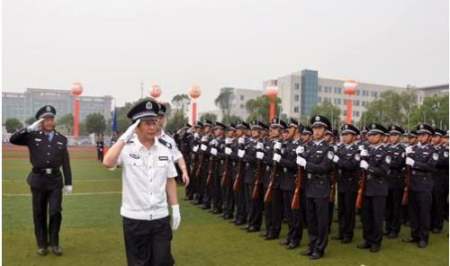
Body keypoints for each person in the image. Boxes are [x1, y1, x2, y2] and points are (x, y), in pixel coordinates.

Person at [103, 99, 180, 266]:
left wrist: (175, 208)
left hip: (160, 218)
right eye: (147, 123)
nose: (153, 127)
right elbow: (107, 162)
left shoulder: (165, 149)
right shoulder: (126, 149)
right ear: (136, 127)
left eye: (154, 122)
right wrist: (124, 137)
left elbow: (170, 180)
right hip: (135, 219)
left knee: (162, 262)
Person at [9, 105, 72, 256]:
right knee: (39, 213)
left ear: (54, 121)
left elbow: (66, 162)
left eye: (51, 119)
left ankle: (54, 244)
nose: (49, 122)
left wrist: (68, 182)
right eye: (46, 119)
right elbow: (13, 139)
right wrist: (28, 128)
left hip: (55, 180)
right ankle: (42, 244)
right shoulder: (32, 136)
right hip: (38, 180)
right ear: (41, 122)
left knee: (55, 212)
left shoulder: (61, 139)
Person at [297, 115, 334, 260]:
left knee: (321, 221)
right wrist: (299, 155)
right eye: (315, 128)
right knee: (311, 220)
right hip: (309, 187)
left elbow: (324, 168)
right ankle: (312, 245)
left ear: (325, 130)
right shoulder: (309, 147)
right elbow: (301, 162)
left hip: (321, 187)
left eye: (320, 128)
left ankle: (320, 248)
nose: (316, 131)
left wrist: (306, 164)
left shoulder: (328, 149)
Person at [402, 123, 439, 248]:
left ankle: (423, 237)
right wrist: (407, 155)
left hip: (424, 186)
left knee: (424, 213)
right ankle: (415, 235)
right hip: (413, 185)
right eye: (419, 135)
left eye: (423, 135)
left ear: (429, 136)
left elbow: (431, 167)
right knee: (413, 212)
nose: (421, 137)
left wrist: (414, 163)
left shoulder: (433, 150)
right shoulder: (414, 149)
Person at [357, 123, 390, 253]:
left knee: (377, 217)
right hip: (366, 187)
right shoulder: (367, 150)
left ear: (381, 137)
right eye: (370, 134)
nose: (370, 137)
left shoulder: (385, 152)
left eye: (374, 135)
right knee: (366, 216)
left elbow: (384, 170)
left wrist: (368, 167)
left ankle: (376, 242)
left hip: (378, 188)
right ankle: (367, 239)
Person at [331, 123, 360, 244]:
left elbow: (351, 165)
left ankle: (348, 233)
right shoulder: (341, 148)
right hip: (341, 182)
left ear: (354, 137)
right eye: (343, 135)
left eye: (347, 135)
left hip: (351, 183)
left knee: (349, 210)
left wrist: (338, 160)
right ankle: (341, 232)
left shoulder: (357, 150)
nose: (344, 137)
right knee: (341, 209)